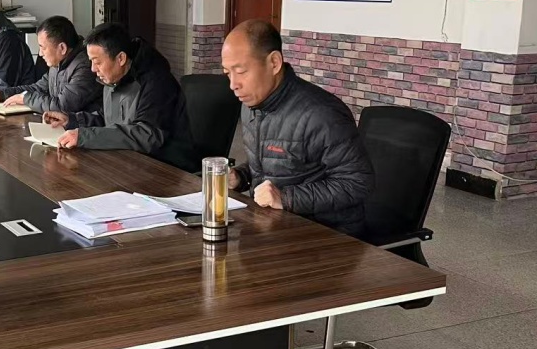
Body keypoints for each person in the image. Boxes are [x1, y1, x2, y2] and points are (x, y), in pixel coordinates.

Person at [220, 19, 374, 238]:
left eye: (241, 71)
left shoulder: (321, 113)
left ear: (274, 63)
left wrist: (286, 198)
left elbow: (358, 182)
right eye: (228, 73)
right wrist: (240, 177)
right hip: (275, 227)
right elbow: (277, 165)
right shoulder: (252, 105)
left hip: (326, 236)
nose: (233, 84)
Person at [46, 22, 199, 173]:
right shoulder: (112, 77)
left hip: (167, 170)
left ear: (121, 58)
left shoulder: (156, 82)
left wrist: (84, 136)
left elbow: (147, 135)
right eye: (91, 62)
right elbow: (107, 120)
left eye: (97, 62)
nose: (93, 69)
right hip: (130, 163)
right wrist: (71, 121)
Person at [0, 15, 100, 117]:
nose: (41, 53)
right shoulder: (59, 62)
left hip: (83, 130)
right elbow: (37, 88)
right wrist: (1, 94)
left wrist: (26, 99)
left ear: (62, 48)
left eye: (43, 47)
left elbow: (62, 106)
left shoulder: (85, 67)